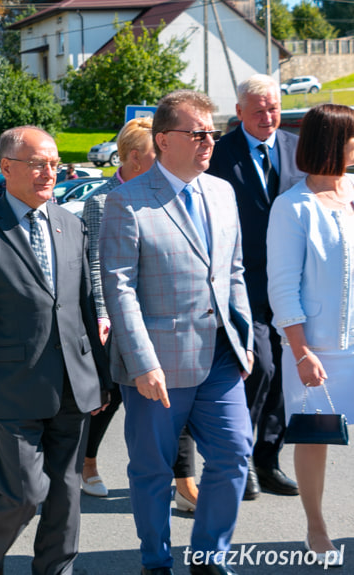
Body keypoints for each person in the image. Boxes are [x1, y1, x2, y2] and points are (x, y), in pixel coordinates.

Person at [100, 90, 254, 575]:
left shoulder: (223, 193)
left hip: (221, 359)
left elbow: (233, 273)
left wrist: (244, 340)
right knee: (151, 471)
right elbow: (119, 289)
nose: (208, 142)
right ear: (164, 140)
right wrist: (142, 361)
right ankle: (156, 560)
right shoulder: (126, 202)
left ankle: (208, 556)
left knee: (233, 455)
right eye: (197, 133)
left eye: (212, 132)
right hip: (157, 366)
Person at [0, 125, 111, 575]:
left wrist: (99, 378)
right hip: (11, 390)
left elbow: (83, 304)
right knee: (25, 495)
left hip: (73, 386)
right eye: (38, 163)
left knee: (67, 495)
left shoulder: (70, 224)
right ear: (8, 168)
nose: (49, 173)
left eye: (54, 164)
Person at [82, 117, 201, 511]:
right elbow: (99, 268)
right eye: (157, 153)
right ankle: (87, 460)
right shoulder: (102, 200)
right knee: (110, 399)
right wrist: (104, 315)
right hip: (120, 320)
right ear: (135, 158)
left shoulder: (172, 194)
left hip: (166, 321)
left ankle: (184, 483)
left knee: (173, 398)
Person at [207, 74, 305, 500]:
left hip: (293, 280)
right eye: (259, 110)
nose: (268, 117)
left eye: (274, 108)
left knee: (285, 373)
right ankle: (238, 456)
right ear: (241, 112)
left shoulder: (295, 148)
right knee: (259, 365)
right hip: (242, 282)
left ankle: (268, 459)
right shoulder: (219, 154)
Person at [266, 103, 354, 569]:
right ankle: (316, 527)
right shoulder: (292, 205)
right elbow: (282, 285)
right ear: (334, 142)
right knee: (315, 437)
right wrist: (300, 350)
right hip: (316, 349)